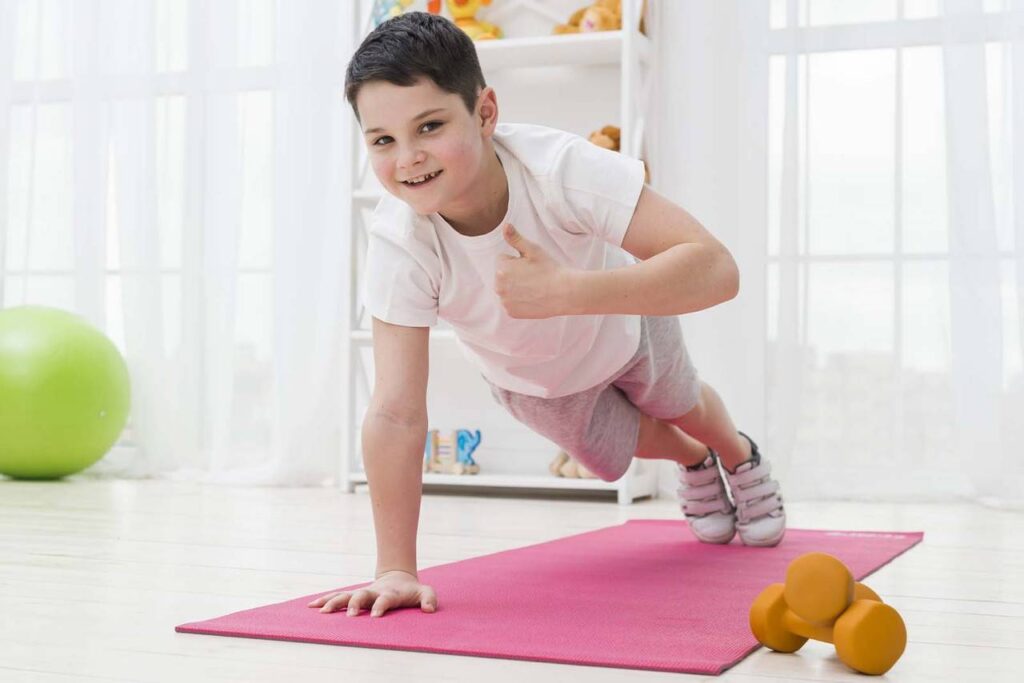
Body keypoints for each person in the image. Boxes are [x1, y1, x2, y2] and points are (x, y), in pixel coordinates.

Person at [309, 12, 785, 620]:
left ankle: (738, 455)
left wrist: (567, 292)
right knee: (622, 450)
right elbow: (397, 410)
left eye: (429, 126)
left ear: (484, 113)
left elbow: (718, 269)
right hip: (535, 382)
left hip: (625, 325)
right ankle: (695, 460)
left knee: (684, 401)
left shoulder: (560, 167)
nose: (409, 159)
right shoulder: (401, 239)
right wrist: (395, 568)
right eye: (383, 140)